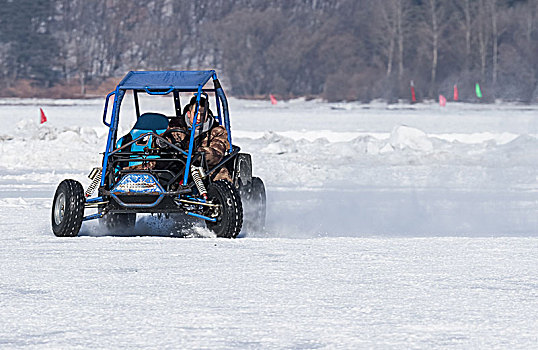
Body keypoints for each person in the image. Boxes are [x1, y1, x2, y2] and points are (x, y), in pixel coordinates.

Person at [163, 96, 232, 182]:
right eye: (195, 113)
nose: (198, 118)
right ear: (189, 113)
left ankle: (222, 194)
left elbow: (217, 154)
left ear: (207, 114)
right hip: (178, 164)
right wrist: (161, 142)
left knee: (221, 174)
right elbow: (168, 139)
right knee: (155, 168)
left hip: (205, 167)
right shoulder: (177, 126)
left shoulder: (217, 131)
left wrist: (196, 153)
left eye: (202, 114)